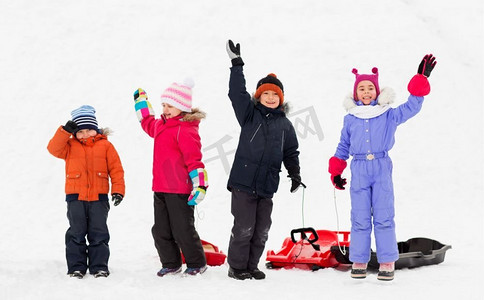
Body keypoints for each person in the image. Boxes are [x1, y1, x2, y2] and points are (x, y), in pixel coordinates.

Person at [328, 55, 437, 281]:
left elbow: (411, 108)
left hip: (380, 167)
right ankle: (359, 259)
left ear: (377, 92)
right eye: (362, 89)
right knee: (359, 217)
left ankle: (387, 260)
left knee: (384, 215)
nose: (366, 92)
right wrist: (337, 170)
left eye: (370, 88)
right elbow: (343, 145)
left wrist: (420, 79)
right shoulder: (350, 118)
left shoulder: (387, 114)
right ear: (355, 93)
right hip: (358, 168)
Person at [225, 40, 304, 280]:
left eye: (275, 94)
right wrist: (236, 64)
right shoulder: (249, 115)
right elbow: (236, 93)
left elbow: (291, 152)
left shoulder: (285, 125)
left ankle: (252, 265)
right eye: (265, 94)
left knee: (261, 231)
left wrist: (294, 173)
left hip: (267, 185)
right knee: (244, 228)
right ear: (258, 97)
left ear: (281, 98)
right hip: (244, 183)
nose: (270, 98)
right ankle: (237, 267)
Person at [133, 79, 208, 277]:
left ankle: (197, 263)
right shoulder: (160, 126)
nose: (165, 109)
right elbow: (147, 122)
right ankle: (171, 263)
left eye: (170, 106)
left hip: (179, 190)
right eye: (163, 105)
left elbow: (195, 161)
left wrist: (199, 186)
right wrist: (141, 102)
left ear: (182, 108)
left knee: (182, 230)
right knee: (160, 231)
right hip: (160, 188)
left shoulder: (186, 130)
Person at [47, 105, 125, 279]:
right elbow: (53, 149)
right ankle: (76, 267)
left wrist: (118, 191)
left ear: (96, 130)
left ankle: (99, 267)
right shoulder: (69, 146)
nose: (84, 135)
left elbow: (116, 169)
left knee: (99, 233)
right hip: (75, 198)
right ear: (74, 133)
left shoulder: (106, 146)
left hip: (99, 198)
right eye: (80, 132)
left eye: (89, 130)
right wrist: (64, 131)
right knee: (76, 233)